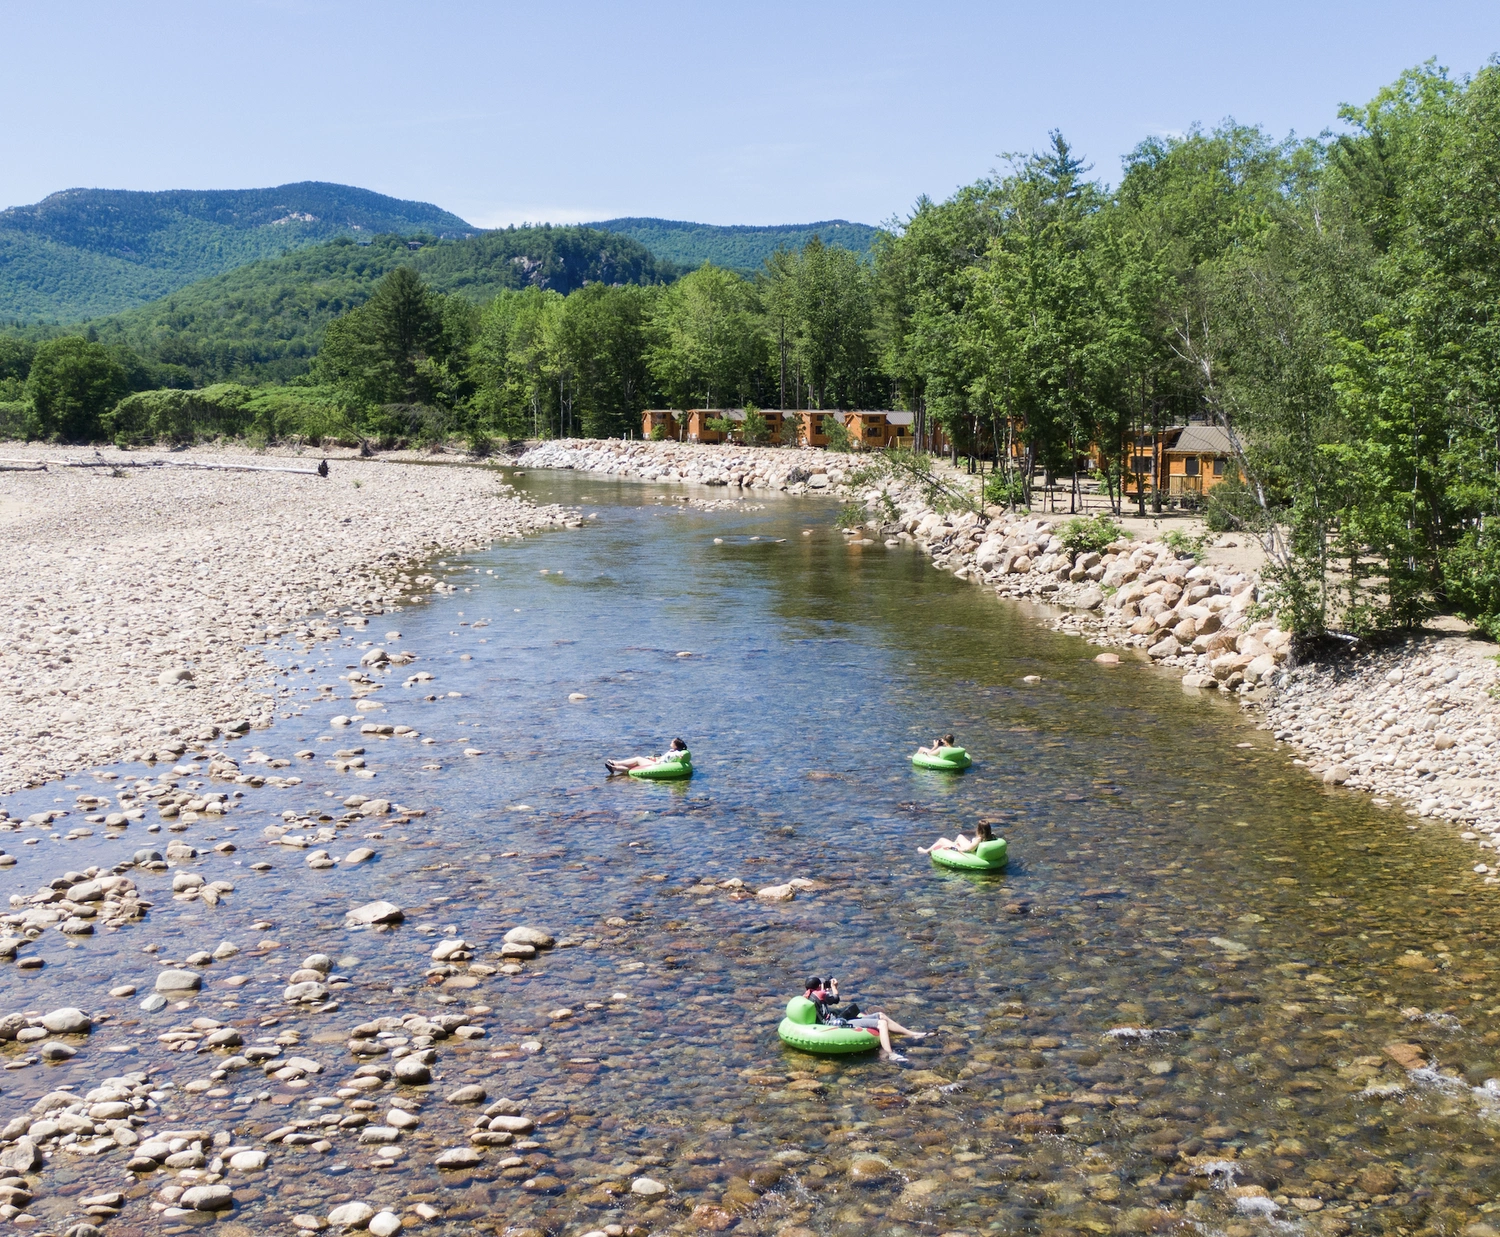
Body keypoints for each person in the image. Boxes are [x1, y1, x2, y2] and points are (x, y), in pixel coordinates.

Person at [804, 976, 926, 1063]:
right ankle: (890, 1054)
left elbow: (829, 1001)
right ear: (819, 986)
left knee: (880, 1015)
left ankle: (913, 1034)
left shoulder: (809, 996)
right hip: (835, 1024)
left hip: (835, 1018)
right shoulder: (820, 994)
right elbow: (835, 999)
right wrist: (834, 987)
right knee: (881, 1023)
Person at [606, 737, 688, 775]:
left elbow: (679, 754)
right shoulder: (672, 751)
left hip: (658, 766)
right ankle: (614, 768)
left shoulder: (677, 752)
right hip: (659, 763)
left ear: (675, 745)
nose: (670, 742)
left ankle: (616, 763)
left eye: (672, 742)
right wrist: (653, 758)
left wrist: (681, 755)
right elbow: (665, 758)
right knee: (633, 768)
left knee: (638, 759)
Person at [918, 819, 994, 856]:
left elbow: (966, 850)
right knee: (960, 836)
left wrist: (952, 847)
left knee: (941, 840)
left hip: (967, 849)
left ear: (979, 829)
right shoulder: (991, 836)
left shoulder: (978, 839)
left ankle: (926, 851)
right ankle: (954, 843)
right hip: (971, 845)